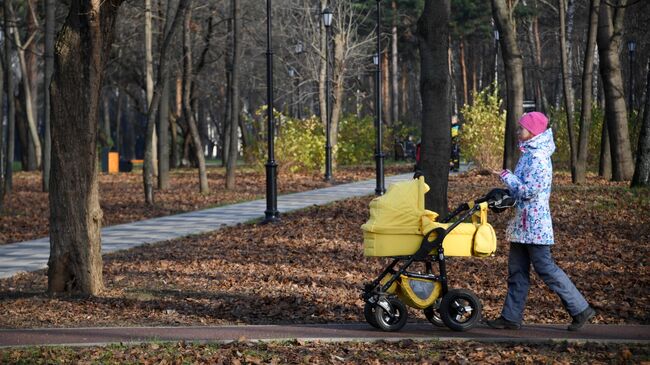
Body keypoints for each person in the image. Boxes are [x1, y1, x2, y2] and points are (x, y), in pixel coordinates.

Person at [487, 112, 595, 331]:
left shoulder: (539, 158)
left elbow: (529, 190)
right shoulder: (528, 153)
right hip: (522, 224)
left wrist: (507, 177)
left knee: (545, 268)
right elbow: (522, 188)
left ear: (533, 132)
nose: (518, 131)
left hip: (535, 225)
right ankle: (510, 317)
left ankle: (580, 309)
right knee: (516, 269)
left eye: (522, 128)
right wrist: (508, 190)